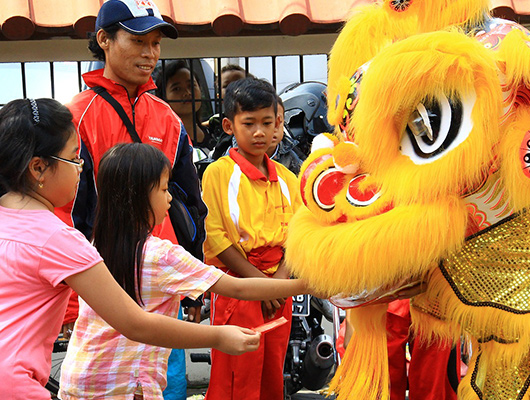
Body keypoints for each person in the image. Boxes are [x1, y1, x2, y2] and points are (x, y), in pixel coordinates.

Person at [0, 98, 260, 400]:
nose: (81, 170)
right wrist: (218, 336)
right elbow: (134, 323)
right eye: (75, 159)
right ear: (38, 168)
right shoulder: (58, 239)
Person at [58, 142, 310, 399]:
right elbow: (237, 287)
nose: (170, 198)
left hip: (81, 378)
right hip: (128, 386)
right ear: (139, 196)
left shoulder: (96, 245)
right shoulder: (160, 255)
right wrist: (306, 286)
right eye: (165, 189)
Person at [54, 0, 207, 397]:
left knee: (166, 377)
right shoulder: (77, 116)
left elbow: (190, 202)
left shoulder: (169, 119)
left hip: (162, 275)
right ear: (104, 39)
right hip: (102, 278)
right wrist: (72, 300)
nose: (151, 54)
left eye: (156, 43)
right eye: (139, 40)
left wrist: (195, 280)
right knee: (105, 376)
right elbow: (67, 212)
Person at [201, 78, 300, 400]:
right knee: (235, 377)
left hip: (279, 285)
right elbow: (214, 237)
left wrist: (280, 282)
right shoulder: (218, 173)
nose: (260, 132)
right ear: (229, 125)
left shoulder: (288, 179)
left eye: (267, 123)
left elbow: (301, 234)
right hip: (238, 286)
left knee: (273, 371)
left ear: (277, 124)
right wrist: (261, 284)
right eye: (249, 123)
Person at [154, 59, 216, 153]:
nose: (187, 93)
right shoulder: (161, 141)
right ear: (163, 96)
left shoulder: (214, 134)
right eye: (177, 89)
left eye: (191, 85)